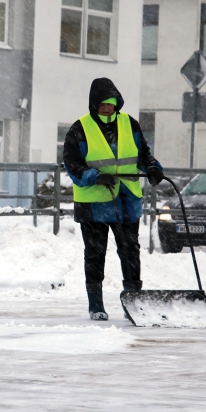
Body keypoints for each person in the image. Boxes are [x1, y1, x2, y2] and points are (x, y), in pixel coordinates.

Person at [63, 77, 163, 320]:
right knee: (95, 253)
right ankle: (96, 305)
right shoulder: (80, 129)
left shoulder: (131, 124)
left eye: (112, 102)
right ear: (94, 104)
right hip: (94, 203)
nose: (108, 107)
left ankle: (134, 301)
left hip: (126, 199)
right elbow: (71, 164)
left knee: (130, 251)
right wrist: (94, 177)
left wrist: (152, 167)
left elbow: (143, 154)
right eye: (103, 103)